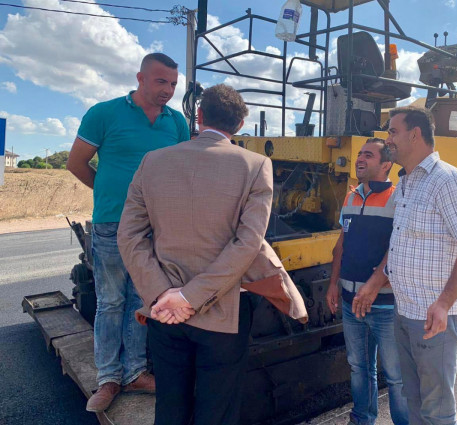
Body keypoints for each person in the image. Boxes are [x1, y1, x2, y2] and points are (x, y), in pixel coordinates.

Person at [117, 83, 305, 425]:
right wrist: (190, 297)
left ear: (199, 116)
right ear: (240, 125)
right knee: (217, 410)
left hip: (164, 312)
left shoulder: (153, 161)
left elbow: (129, 235)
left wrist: (164, 295)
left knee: (170, 407)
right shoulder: (256, 165)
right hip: (225, 312)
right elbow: (248, 243)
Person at [66, 53, 190, 412]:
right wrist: (109, 193)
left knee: (142, 300)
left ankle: (135, 372)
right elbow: (76, 163)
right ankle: (108, 378)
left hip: (155, 227)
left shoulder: (176, 122)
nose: (167, 90)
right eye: (160, 81)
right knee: (110, 301)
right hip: (112, 224)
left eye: (173, 84)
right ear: (140, 78)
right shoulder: (104, 113)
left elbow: (183, 168)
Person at [353, 106, 457, 425]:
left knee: (436, 409)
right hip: (405, 312)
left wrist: (443, 304)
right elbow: (399, 244)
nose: (388, 139)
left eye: (393, 131)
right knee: (412, 401)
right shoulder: (406, 183)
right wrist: (376, 282)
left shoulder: (449, 181)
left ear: (415, 135)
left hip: (434, 318)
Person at [325, 138, 409, 425]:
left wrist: (378, 280)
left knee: (396, 376)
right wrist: (333, 283)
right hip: (351, 304)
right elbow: (341, 245)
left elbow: (400, 246)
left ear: (386, 164)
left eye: (368, 155)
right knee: (359, 368)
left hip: (386, 306)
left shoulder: (398, 199)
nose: (360, 158)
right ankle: (361, 420)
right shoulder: (351, 197)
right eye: (360, 153)